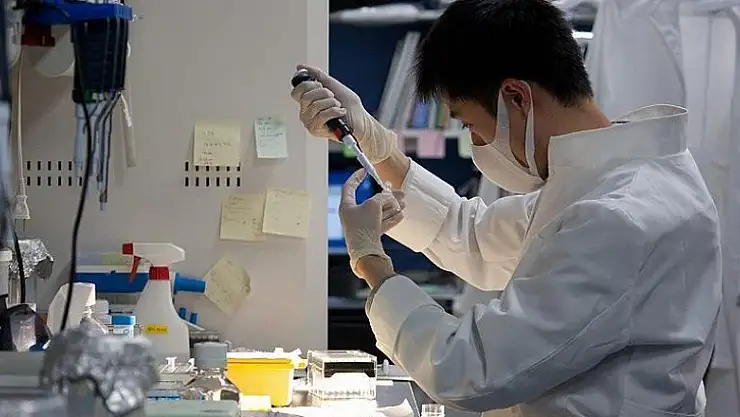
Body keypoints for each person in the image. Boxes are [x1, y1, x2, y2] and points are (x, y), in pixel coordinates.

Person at [290, 0, 721, 415]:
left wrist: (372, 264)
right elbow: (474, 236)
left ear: (516, 97)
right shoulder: (607, 181)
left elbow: (469, 369)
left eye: (470, 124)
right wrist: (378, 146)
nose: (477, 143)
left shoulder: (616, 216)